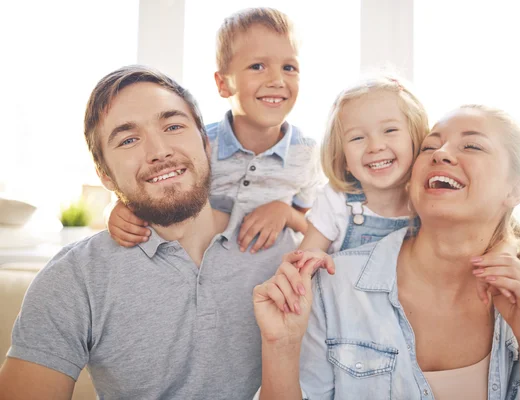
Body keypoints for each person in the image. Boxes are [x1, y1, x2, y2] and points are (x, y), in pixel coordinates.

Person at [0, 65, 298, 400]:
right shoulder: (75, 278)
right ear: (106, 176)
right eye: (129, 140)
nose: (159, 151)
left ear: (206, 143)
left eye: (173, 126)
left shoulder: (284, 250)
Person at [253, 105, 520, 399]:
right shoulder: (332, 286)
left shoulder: (515, 297)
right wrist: (280, 347)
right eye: (429, 146)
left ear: (515, 189)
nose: (442, 154)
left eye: (472, 145)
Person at [107, 7, 324, 254]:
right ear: (223, 84)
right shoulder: (197, 145)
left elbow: (314, 227)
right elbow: (153, 193)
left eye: (289, 67)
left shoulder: (307, 153)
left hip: (268, 278)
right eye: (257, 66)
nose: (277, 80)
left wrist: (285, 213)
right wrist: (118, 212)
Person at [298, 74, 428, 255]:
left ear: (415, 138)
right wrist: (307, 264)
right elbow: (300, 267)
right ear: (343, 159)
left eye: (390, 130)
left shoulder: (430, 201)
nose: (375, 146)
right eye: (357, 137)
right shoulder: (336, 202)